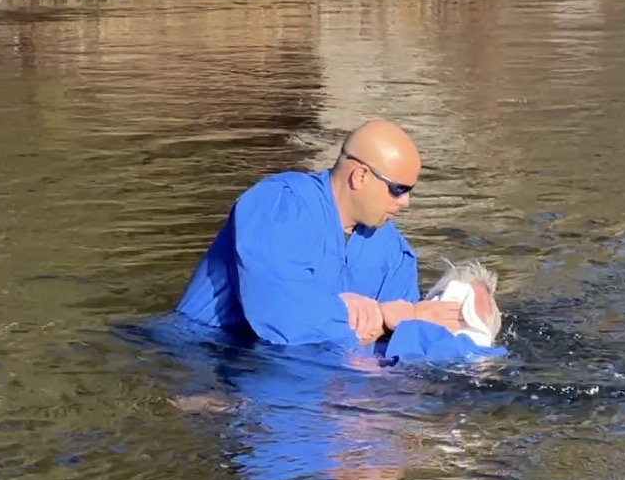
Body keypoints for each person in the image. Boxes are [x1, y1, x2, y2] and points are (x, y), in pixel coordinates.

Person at [175, 118, 463, 349]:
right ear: (360, 175)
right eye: (398, 189)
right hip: (203, 358)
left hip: (309, 388)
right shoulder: (276, 206)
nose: (405, 202)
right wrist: (371, 315)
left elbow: (401, 340)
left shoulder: (394, 254)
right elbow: (282, 314)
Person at [381, 260, 508, 364]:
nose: (455, 311)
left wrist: (414, 325)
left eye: (466, 316)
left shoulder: (491, 360)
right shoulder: (380, 344)